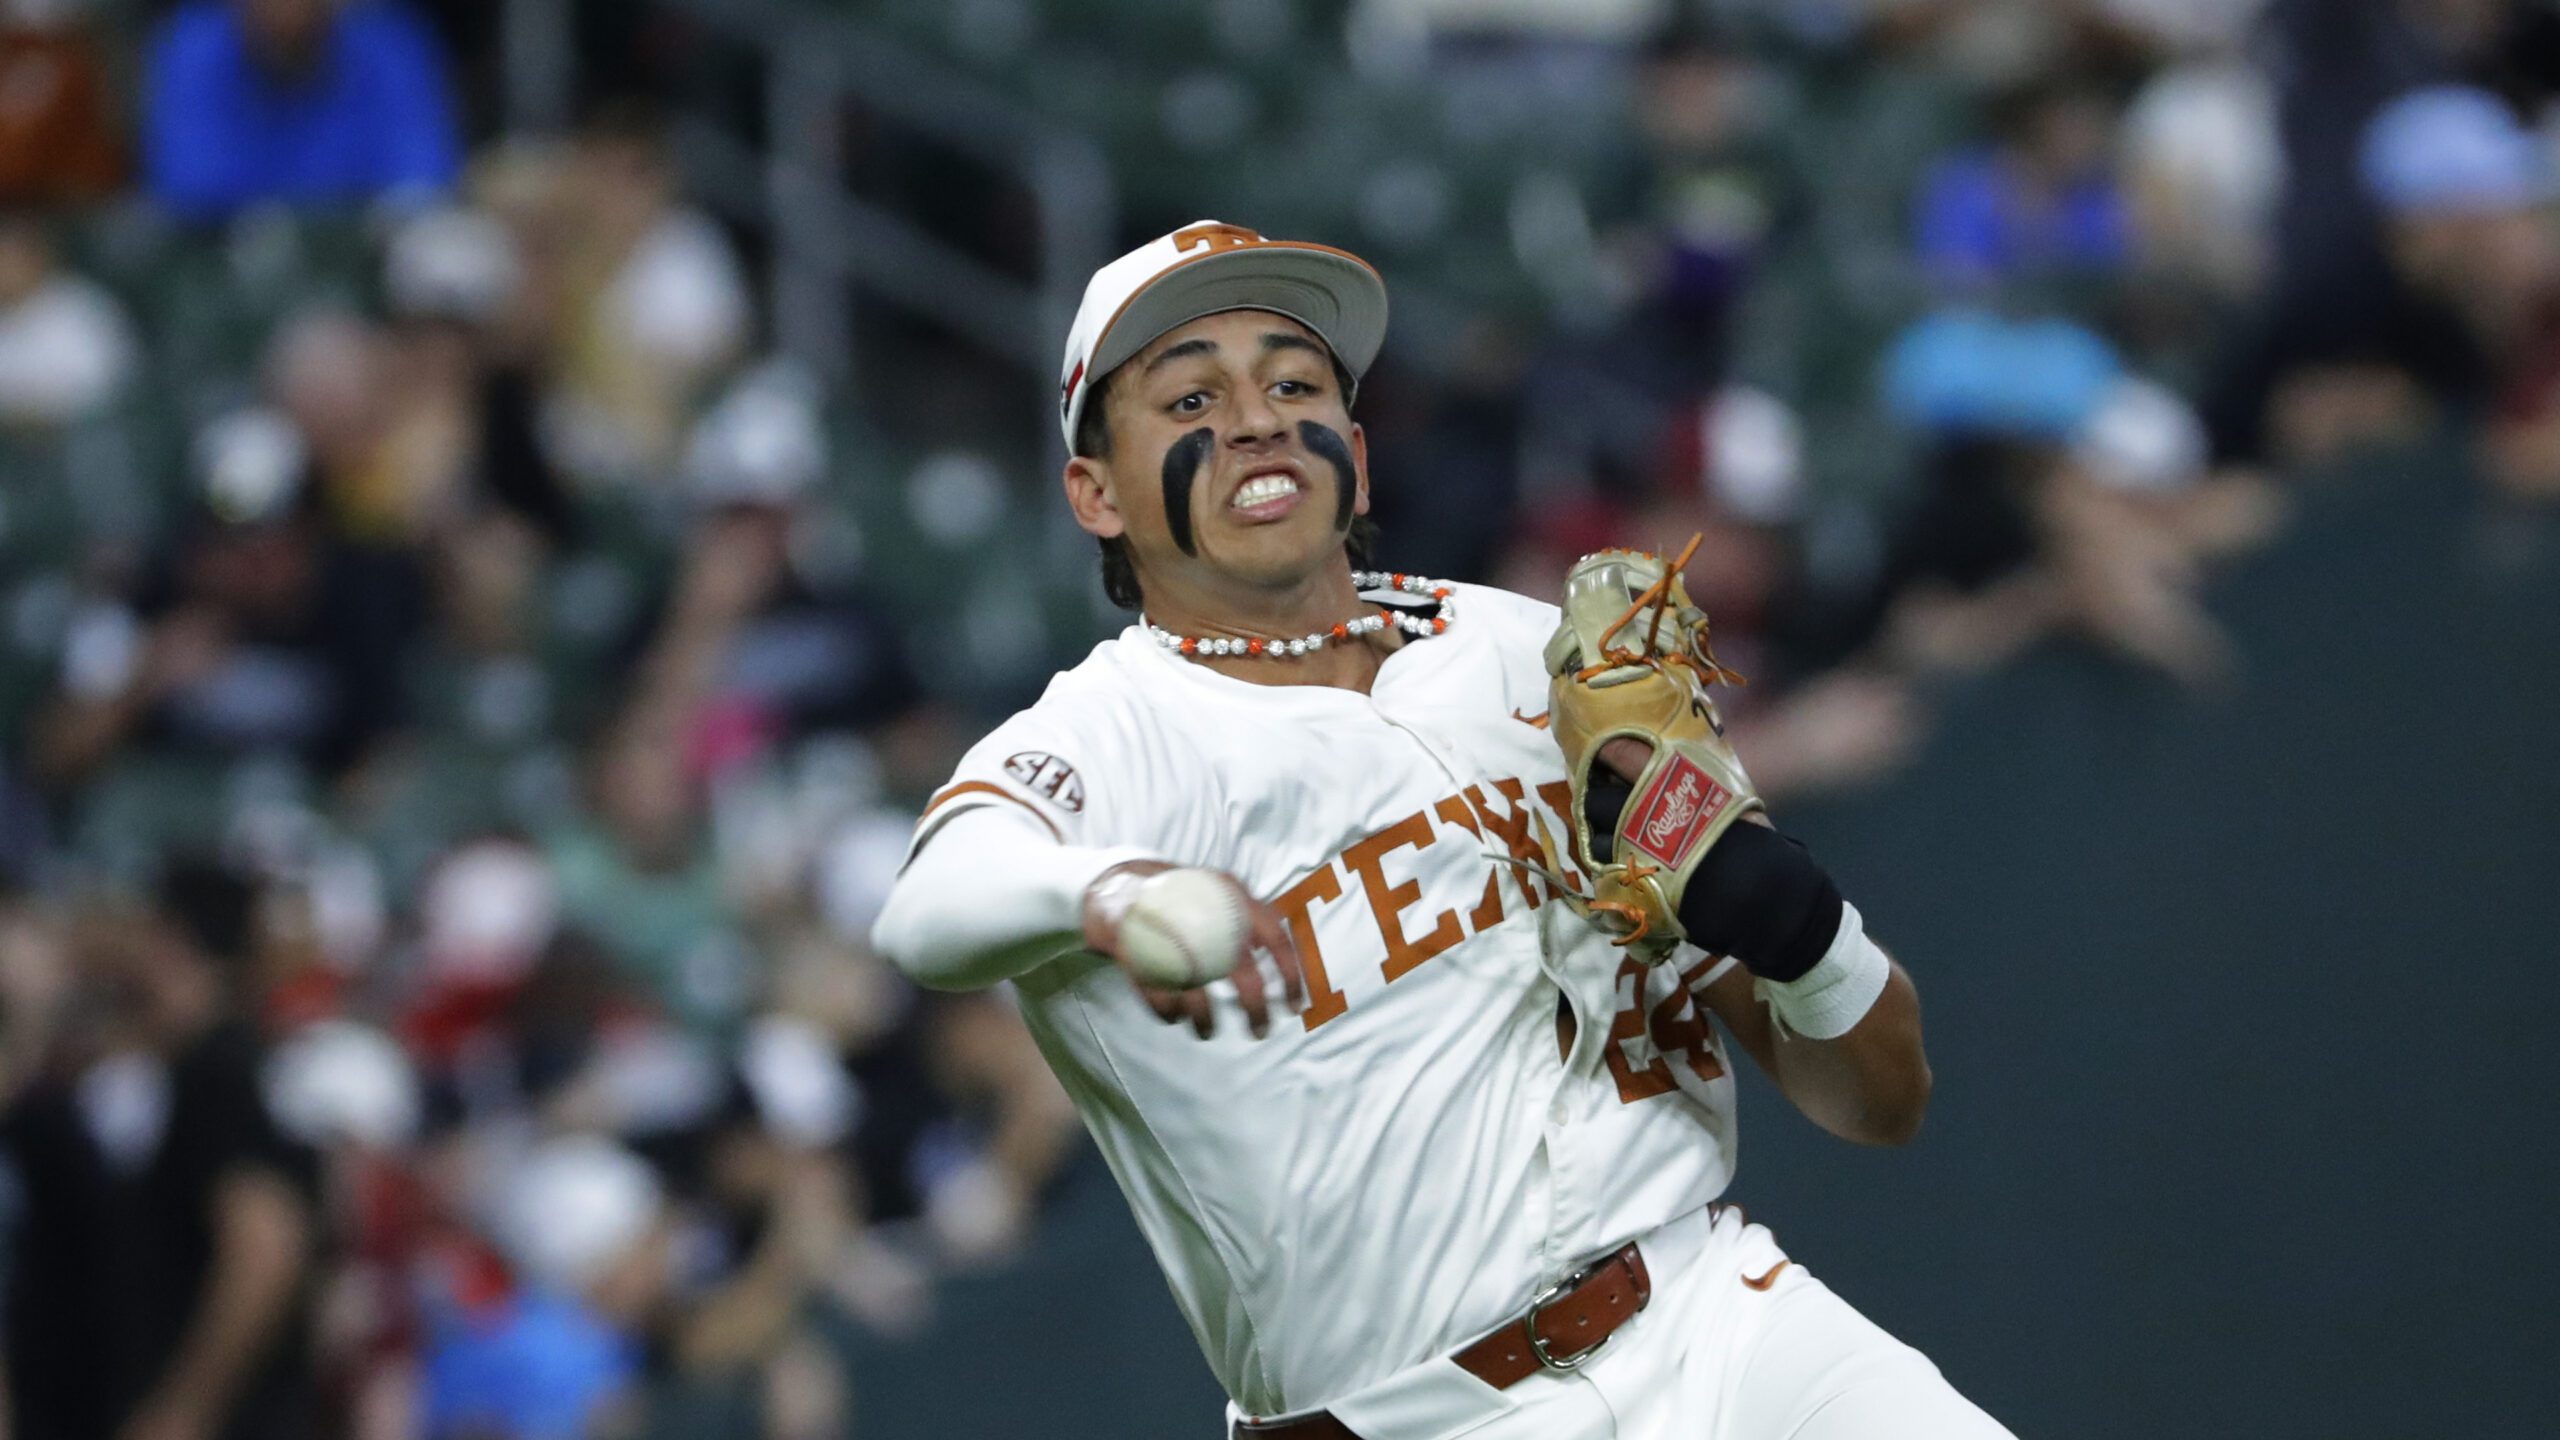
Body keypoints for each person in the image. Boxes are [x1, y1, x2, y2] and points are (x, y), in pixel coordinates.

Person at [871, 221, 2010, 1439]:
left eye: (1294, 383)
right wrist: (1109, 893)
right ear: (1093, 492)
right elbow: (929, 908)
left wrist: (1797, 928)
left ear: (1353, 454)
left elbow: (1879, 1100)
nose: (1256, 418)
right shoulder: (1114, 737)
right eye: (1190, 395)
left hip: (1718, 1325)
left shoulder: (1533, 658)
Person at [142, 0, 460, 221]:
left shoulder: (387, 45)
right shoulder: (193, 49)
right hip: (230, 259)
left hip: (368, 254)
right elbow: (189, 187)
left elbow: (424, 177)